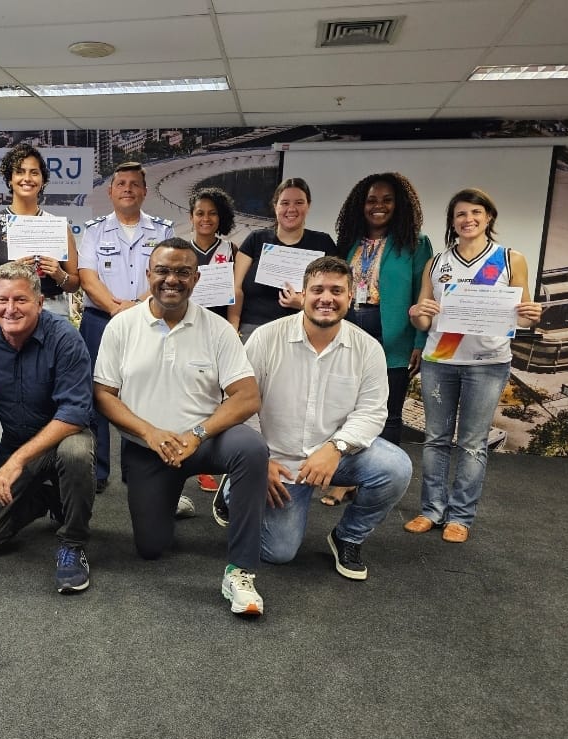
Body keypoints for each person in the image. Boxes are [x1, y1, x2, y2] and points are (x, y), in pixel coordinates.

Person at [93, 238, 267, 616]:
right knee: (151, 548)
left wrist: (197, 434)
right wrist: (149, 433)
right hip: (148, 446)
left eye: (182, 272)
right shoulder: (122, 326)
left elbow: (247, 397)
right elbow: (103, 395)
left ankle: (240, 571)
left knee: (252, 450)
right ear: (148, 274)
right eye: (163, 271)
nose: (172, 279)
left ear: (196, 277)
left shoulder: (218, 329)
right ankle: (170, 496)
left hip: (205, 441)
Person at [242, 256, 412, 581]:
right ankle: (235, 488)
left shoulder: (368, 349)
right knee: (278, 553)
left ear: (351, 297)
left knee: (395, 468)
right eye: (317, 289)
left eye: (337, 290)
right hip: (277, 461)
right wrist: (256, 460)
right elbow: (243, 404)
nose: (326, 298)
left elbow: (372, 411)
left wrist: (335, 448)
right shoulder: (265, 338)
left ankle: (348, 536)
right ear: (302, 294)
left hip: (333, 457)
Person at [405, 188, 542, 543]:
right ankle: (431, 510)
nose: (468, 219)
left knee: (471, 442)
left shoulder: (510, 259)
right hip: (440, 361)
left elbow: (522, 316)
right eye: (460, 214)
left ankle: (461, 516)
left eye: (475, 212)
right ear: (452, 222)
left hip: (488, 363)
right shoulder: (436, 263)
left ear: (489, 216)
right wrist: (417, 314)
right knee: (435, 440)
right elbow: (422, 320)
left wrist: (531, 315)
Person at [0, 262, 95, 594]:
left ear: (39, 303)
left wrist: (17, 461)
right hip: (16, 439)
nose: (10, 309)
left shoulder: (65, 337)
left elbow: (74, 414)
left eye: (20, 300)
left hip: (64, 434)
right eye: (2, 300)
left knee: (77, 452)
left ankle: (73, 543)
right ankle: (47, 498)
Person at [321, 172, 434, 507]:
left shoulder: (416, 243)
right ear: (361, 203)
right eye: (371, 200)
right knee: (343, 407)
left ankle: (376, 484)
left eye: (386, 200)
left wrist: (419, 340)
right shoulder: (348, 240)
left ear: (398, 205)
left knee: (387, 412)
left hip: (393, 333)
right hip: (348, 326)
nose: (378, 206)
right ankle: (343, 479)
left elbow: (422, 293)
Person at [78, 161, 174, 494]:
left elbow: (165, 276)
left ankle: (140, 468)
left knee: (143, 394)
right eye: (121, 183)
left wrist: (134, 309)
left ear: (145, 191)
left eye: (135, 184)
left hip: (148, 321)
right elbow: (88, 278)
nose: (128, 189)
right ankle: (99, 470)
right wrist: (118, 309)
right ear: (111, 191)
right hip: (99, 321)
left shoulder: (162, 231)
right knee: (97, 393)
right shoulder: (94, 230)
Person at [0, 143, 79, 319]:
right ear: (10, 179)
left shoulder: (58, 226)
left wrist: (60, 275)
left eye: (34, 172)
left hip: (52, 310)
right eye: (20, 172)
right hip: (8, 310)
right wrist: (9, 271)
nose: (27, 178)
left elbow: (74, 284)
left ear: (43, 181)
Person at [227, 177, 336, 341]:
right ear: (275, 206)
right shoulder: (256, 239)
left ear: (308, 205)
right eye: (285, 203)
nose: (291, 209)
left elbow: (336, 292)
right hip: (253, 331)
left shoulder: (323, 243)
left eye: (299, 202)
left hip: (302, 331)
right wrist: (232, 329)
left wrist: (304, 303)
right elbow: (236, 289)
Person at [186, 186, 239, 493]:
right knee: (185, 394)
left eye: (212, 213)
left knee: (214, 397)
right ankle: (186, 459)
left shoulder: (230, 250)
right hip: (185, 329)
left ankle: (207, 462)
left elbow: (236, 291)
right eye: (200, 213)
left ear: (222, 217)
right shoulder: (181, 248)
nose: (206, 219)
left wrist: (233, 323)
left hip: (217, 332)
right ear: (191, 217)